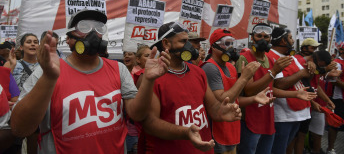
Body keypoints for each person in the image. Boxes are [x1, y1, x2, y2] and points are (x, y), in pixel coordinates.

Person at [11, 9, 171, 153]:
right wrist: (49, 78)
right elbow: (20, 129)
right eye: (84, 27)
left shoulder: (118, 69)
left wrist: (148, 80)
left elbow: (137, 114)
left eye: (99, 27)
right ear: (69, 38)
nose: (94, 33)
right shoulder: (48, 71)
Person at [142, 22, 242, 154]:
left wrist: (222, 112)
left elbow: (213, 108)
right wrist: (185, 132)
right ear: (166, 44)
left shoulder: (198, 72)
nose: (189, 46)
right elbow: (150, 124)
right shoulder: (150, 78)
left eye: (188, 41)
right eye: (183, 41)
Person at [201, 28, 272, 154]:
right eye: (226, 43)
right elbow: (224, 100)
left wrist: (254, 99)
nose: (230, 47)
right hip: (218, 130)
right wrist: (244, 78)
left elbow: (235, 99)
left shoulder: (230, 66)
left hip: (232, 129)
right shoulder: (210, 67)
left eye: (232, 43)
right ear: (214, 46)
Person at [235, 23, 292, 154]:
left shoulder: (271, 60)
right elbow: (248, 90)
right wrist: (272, 72)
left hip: (267, 116)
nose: (262, 39)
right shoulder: (245, 58)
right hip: (250, 118)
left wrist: (296, 94)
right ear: (252, 38)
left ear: (270, 39)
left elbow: (271, 89)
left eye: (266, 36)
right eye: (259, 36)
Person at [267, 27, 317, 154]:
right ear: (283, 41)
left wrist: (312, 67)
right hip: (284, 115)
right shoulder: (271, 57)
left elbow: (307, 76)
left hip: (298, 112)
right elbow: (278, 85)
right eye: (290, 38)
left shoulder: (292, 57)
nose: (293, 40)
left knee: (285, 147)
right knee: (278, 150)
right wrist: (301, 73)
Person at [326, 43, 344, 154]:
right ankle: (330, 148)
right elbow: (334, 80)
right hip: (339, 97)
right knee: (335, 123)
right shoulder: (337, 63)